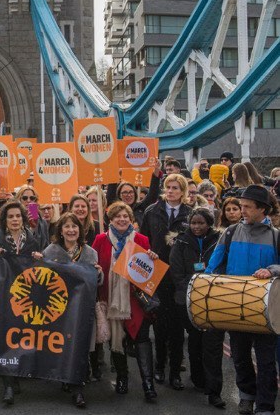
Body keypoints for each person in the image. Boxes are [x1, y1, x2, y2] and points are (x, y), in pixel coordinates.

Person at [205, 185, 280, 415]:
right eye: (242, 205)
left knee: (266, 362)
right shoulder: (229, 233)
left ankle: (265, 406)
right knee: (239, 357)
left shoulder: (276, 236)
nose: (242, 210)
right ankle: (247, 395)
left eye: (247, 207)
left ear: (263, 209)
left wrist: (272, 269)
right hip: (234, 307)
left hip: (266, 310)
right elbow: (213, 266)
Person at [92, 202, 159, 401]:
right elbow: (94, 265)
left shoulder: (141, 239)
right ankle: (122, 377)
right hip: (110, 299)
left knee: (142, 339)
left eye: (126, 216)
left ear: (131, 219)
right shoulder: (100, 240)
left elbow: (148, 271)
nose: (122, 219)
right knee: (117, 339)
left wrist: (152, 258)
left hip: (136, 299)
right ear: (110, 220)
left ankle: (148, 383)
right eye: (117, 217)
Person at [43, 212, 103, 408]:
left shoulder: (90, 253)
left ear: (80, 230)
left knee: (80, 347)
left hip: (82, 309)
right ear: (60, 230)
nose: (71, 230)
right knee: (62, 344)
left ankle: (78, 389)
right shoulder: (50, 251)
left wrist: (99, 274)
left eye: (74, 226)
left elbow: (96, 283)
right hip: (58, 308)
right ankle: (65, 377)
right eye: (67, 226)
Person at [0, 199, 41, 405]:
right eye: (11, 216)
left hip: (25, 298)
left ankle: (17, 373)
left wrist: (39, 258)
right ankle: (8, 383)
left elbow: (40, 269)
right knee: (6, 337)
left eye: (18, 216)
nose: (15, 219)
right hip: (3, 297)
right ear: (5, 220)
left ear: (23, 218)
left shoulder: (32, 241)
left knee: (22, 336)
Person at [169, 208, 225, 406]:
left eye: (201, 223)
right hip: (188, 299)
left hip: (212, 300)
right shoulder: (181, 242)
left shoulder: (219, 240)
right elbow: (176, 273)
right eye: (194, 223)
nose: (197, 227)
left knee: (212, 345)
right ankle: (198, 378)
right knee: (194, 340)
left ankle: (213, 388)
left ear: (209, 224)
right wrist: (195, 290)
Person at [140, 173, 191, 389]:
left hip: (179, 276)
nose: (171, 191)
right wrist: (148, 252)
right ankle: (159, 366)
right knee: (160, 326)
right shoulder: (153, 211)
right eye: (168, 187)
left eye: (175, 188)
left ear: (183, 192)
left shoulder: (190, 214)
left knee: (177, 327)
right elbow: (143, 240)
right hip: (158, 274)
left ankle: (175, 372)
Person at [106, 159, 162, 227]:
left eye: (131, 192)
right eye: (125, 192)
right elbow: (110, 195)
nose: (129, 195)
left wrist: (156, 172)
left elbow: (153, 194)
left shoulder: (140, 207)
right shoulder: (115, 208)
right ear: (119, 195)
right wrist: (115, 172)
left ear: (135, 194)